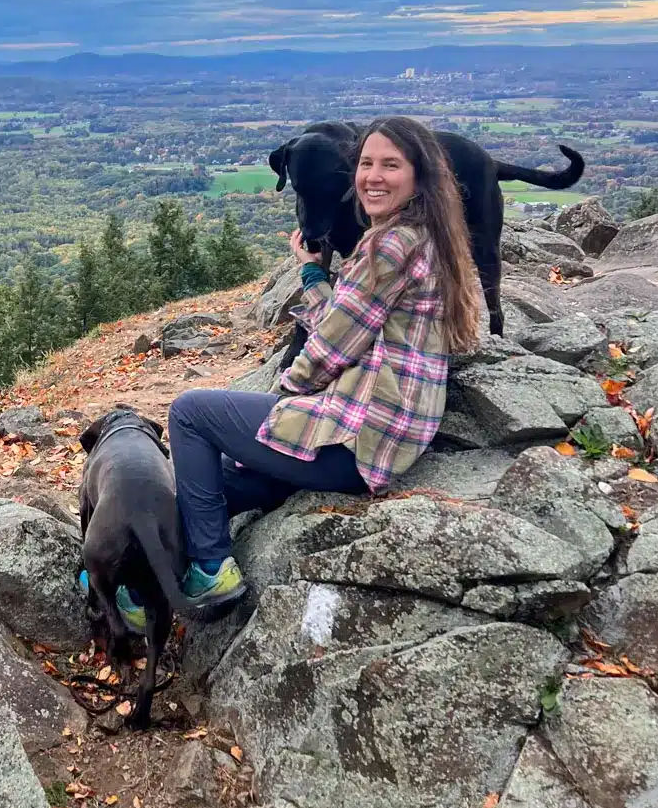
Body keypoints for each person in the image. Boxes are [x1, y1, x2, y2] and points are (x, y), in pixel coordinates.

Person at [166, 115, 481, 611]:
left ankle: (211, 569)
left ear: (418, 176)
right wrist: (312, 273)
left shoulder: (387, 246)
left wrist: (281, 405)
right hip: (394, 433)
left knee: (191, 412)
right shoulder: (431, 235)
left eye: (390, 165)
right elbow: (354, 320)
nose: (373, 176)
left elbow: (327, 352)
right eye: (366, 163)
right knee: (215, 478)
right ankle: (158, 563)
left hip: (359, 442)